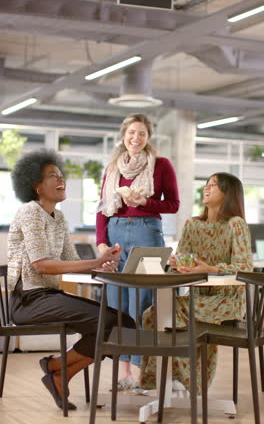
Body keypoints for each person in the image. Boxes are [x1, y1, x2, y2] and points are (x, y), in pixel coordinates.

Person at [8, 148, 135, 411]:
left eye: (60, 174)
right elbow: (41, 266)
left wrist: (105, 264)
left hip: (49, 297)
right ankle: (56, 370)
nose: (61, 179)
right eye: (52, 175)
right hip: (28, 301)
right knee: (113, 322)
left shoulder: (59, 217)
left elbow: (72, 263)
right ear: (36, 186)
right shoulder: (30, 212)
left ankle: (57, 369)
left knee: (124, 323)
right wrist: (94, 263)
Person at [139, 172, 253, 392]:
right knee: (152, 314)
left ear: (229, 193)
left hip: (226, 300)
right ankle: (175, 381)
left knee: (162, 314)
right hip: (198, 297)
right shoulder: (192, 225)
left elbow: (245, 267)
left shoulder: (235, 224)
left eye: (214, 185)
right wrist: (176, 265)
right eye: (207, 184)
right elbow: (182, 262)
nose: (207, 188)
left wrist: (209, 269)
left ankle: (174, 381)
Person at [96, 113, 180, 389]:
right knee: (117, 303)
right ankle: (123, 375)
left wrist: (146, 202)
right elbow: (102, 209)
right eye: (132, 132)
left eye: (142, 134)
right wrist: (101, 242)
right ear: (124, 135)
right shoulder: (112, 169)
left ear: (148, 138)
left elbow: (174, 205)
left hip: (147, 231)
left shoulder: (162, 165)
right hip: (116, 232)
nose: (136, 138)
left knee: (143, 303)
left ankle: (142, 371)